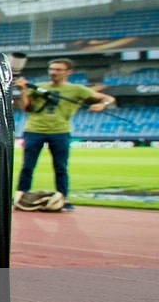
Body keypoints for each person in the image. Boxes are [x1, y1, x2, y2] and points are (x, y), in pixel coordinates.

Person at [16, 58, 114, 208]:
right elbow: (26, 108)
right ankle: (20, 197)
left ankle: (63, 198)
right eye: (51, 69)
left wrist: (102, 105)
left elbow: (108, 98)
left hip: (60, 131)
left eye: (58, 69)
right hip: (34, 130)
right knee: (27, 166)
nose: (53, 72)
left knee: (60, 167)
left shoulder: (77, 89)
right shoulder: (38, 87)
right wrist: (23, 90)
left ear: (68, 72)